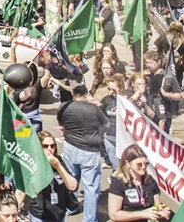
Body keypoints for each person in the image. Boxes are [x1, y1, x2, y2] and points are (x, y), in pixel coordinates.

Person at [56, 84, 109, 222]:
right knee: (91, 187)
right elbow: (106, 125)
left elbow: (61, 122)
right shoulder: (94, 109)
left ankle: (71, 207)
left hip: (70, 147)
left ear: (73, 93)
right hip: (90, 151)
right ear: (86, 94)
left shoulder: (64, 107)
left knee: (70, 178)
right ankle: (89, 219)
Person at [20, 131, 78, 222]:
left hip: (59, 215)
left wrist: (58, 167)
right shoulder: (33, 164)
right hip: (39, 216)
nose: (50, 149)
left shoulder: (58, 161)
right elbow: (22, 190)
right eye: (45, 146)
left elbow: (73, 186)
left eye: (52, 146)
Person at [108, 145, 171, 222]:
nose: (143, 167)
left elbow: (156, 207)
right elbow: (114, 215)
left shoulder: (150, 182)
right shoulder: (118, 182)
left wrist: (160, 212)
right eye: (139, 164)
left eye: (146, 164)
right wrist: (142, 214)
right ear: (128, 163)